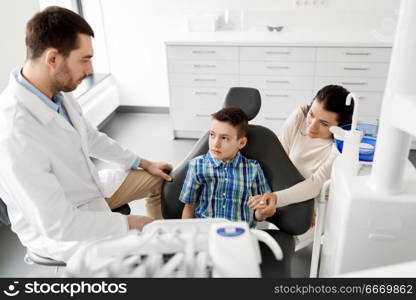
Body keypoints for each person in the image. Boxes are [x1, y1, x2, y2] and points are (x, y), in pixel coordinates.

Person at [0, 6, 172, 262]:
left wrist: (143, 163)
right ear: (52, 59)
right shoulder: (15, 130)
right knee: (141, 255)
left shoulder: (56, 92)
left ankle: (164, 246)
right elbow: (59, 225)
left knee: (158, 179)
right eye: (85, 59)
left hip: (88, 187)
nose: (90, 69)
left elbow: (89, 137)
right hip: (63, 231)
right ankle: (156, 255)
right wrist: (130, 223)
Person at [249, 85, 353, 223]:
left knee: (295, 230)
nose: (312, 126)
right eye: (312, 114)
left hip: (314, 204)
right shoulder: (300, 116)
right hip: (280, 191)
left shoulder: (340, 147)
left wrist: (305, 207)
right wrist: (270, 197)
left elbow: (316, 184)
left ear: (340, 127)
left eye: (323, 123)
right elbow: (279, 159)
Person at [180, 107, 271, 228]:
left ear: (241, 143)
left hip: (240, 234)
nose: (215, 143)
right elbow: (189, 206)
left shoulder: (253, 169)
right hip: (206, 232)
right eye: (212, 135)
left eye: (224, 138)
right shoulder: (197, 166)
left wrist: (261, 212)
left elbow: (260, 212)